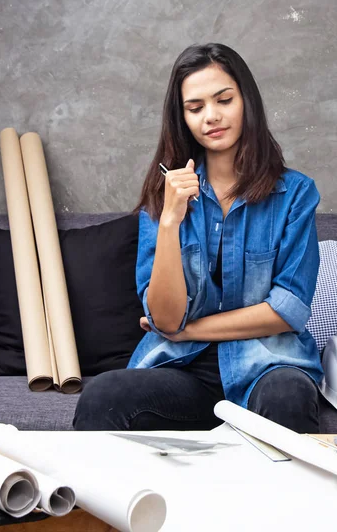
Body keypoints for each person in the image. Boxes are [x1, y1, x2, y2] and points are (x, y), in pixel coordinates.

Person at [73, 43, 323, 433]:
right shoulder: (165, 194)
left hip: (268, 365)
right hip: (181, 368)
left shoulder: (295, 194)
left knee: (287, 396)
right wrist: (170, 221)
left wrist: (188, 329)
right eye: (195, 108)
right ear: (183, 117)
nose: (212, 116)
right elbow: (165, 317)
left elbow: (286, 311)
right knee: (104, 396)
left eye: (224, 100)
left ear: (247, 102)